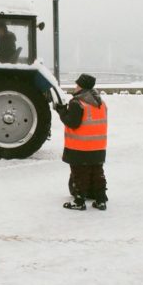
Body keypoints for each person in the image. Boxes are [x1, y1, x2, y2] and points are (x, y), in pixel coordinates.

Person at [55, 73, 108, 211]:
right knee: (97, 173)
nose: (75, 87)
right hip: (98, 147)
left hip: (80, 147)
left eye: (77, 84)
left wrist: (61, 112)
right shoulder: (100, 103)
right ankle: (101, 200)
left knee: (79, 174)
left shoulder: (77, 103)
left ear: (82, 87)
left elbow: (72, 123)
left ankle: (79, 201)